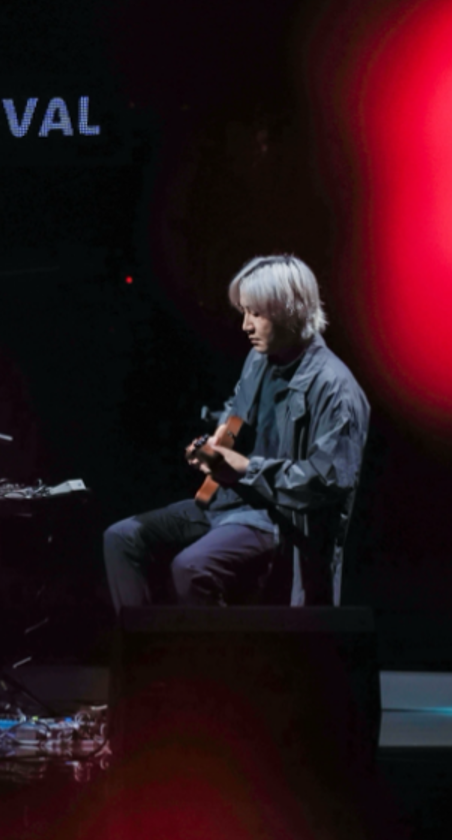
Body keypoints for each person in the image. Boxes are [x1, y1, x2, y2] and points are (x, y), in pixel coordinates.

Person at [104, 254, 369, 610]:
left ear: (291, 311)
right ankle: (145, 644)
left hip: (277, 522)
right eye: (244, 312)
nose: (245, 325)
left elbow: (328, 483)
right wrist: (216, 443)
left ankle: (218, 649)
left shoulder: (336, 388)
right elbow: (236, 407)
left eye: (256, 313)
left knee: (191, 568)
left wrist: (245, 468)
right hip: (228, 502)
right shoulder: (259, 359)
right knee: (121, 538)